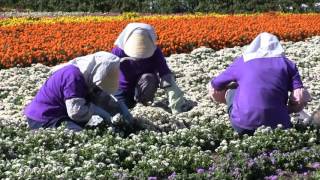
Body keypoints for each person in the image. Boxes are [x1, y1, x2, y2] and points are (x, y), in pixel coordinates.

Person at [208, 32, 311, 135]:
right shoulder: (288, 64)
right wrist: (289, 109)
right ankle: (279, 116)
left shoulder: (242, 62)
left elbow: (216, 85)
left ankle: (243, 115)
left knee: (233, 89)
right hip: (280, 127)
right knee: (302, 92)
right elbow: (299, 96)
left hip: (243, 127)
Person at [24, 51, 133, 131]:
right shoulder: (73, 76)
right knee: (82, 139)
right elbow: (76, 112)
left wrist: (122, 110)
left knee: (99, 129)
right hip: (45, 117)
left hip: (61, 114)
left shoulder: (87, 76)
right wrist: (103, 114)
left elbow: (103, 96)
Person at [111, 22, 189, 114]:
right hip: (122, 88)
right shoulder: (119, 51)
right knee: (119, 110)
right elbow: (108, 72)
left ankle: (143, 102)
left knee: (149, 78)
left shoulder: (155, 52)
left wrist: (175, 99)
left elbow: (165, 74)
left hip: (144, 86)